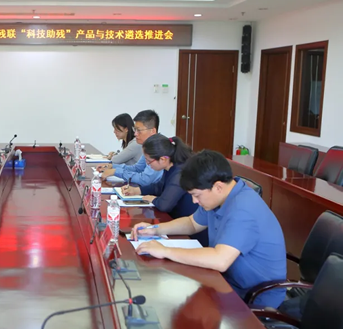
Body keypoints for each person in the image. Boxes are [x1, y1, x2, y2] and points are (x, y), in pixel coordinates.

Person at [131, 150, 287, 308]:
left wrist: (165, 251)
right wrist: (155, 229)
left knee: (172, 301)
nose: (194, 201)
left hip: (253, 297)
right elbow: (192, 223)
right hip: (226, 280)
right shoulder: (220, 198)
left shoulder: (243, 209)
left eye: (197, 195)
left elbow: (220, 260)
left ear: (218, 187)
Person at [123, 134, 208, 246]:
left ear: (163, 159)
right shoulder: (170, 167)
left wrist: (153, 199)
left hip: (190, 232)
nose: (147, 164)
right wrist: (137, 190)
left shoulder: (180, 173)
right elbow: (159, 187)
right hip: (176, 223)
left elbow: (164, 205)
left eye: (149, 161)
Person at [97, 109, 163, 188]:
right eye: (135, 129)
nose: (135, 134)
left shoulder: (159, 148)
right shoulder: (148, 146)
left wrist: (116, 171)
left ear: (153, 131)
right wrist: (113, 167)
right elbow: (137, 168)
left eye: (139, 130)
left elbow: (145, 179)